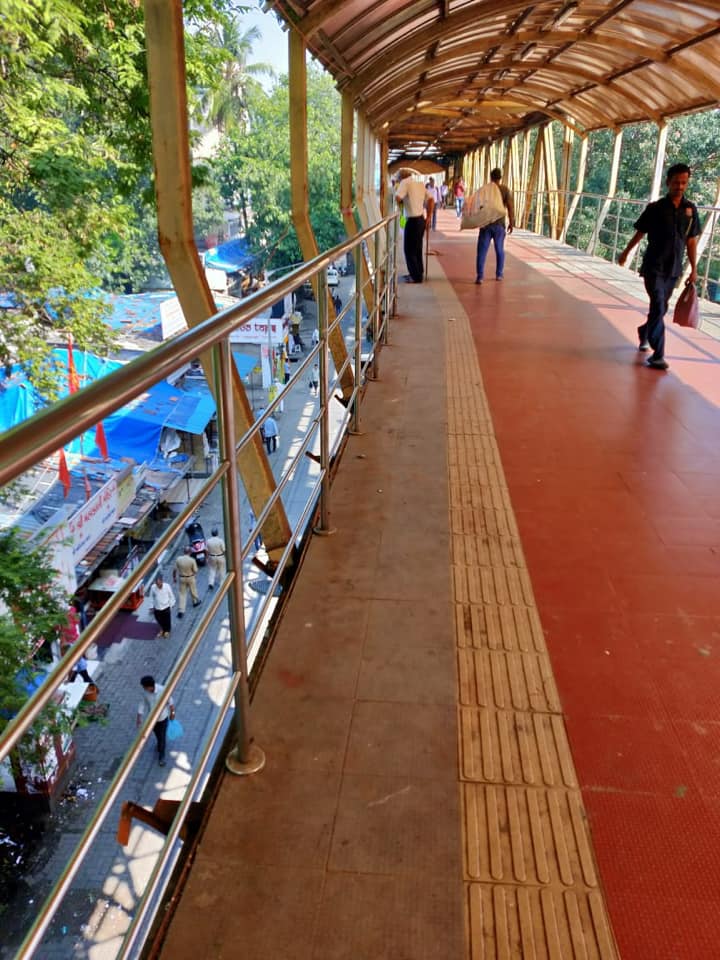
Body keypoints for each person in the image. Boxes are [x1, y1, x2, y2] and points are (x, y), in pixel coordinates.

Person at [618, 162, 700, 371]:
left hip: (674, 269)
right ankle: (658, 355)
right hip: (653, 266)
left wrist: (694, 269)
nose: (680, 187)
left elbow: (691, 241)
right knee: (658, 304)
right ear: (668, 182)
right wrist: (626, 252)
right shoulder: (655, 209)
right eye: (676, 182)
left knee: (661, 308)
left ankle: (644, 331)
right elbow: (640, 232)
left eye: (683, 183)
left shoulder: (690, 210)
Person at [475, 168, 515, 285]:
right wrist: (512, 222)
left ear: (490, 177)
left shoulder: (485, 189)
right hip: (499, 225)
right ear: (500, 177)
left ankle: (480, 276)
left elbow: (478, 206)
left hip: (486, 224)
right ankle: (499, 274)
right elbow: (510, 207)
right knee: (499, 250)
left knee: (482, 251)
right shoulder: (505, 190)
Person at [395, 168, 426, 283]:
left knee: (408, 249)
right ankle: (419, 273)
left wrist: (400, 207)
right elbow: (431, 200)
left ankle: (415, 277)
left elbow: (397, 197)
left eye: (398, 179)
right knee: (417, 248)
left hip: (412, 221)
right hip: (421, 219)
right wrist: (429, 218)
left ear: (401, 177)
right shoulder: (419, 183)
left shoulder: (405, 182)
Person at [137, 675, 175, 767]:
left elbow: (171, 702)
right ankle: (159, 744)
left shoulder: (163, 690)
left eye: (145, 687)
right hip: (152, 719)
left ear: (150, 686)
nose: (144, 689)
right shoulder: (145, 693)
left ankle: (161, 756)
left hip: (163, 718)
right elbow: (142, 703)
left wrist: (172, 713)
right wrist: (139, 717)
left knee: (162, 737)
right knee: (157, 734)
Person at [173, 547, 200, 617]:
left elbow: (175, 569)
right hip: (190, 577)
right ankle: (195, 601)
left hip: (182, 578)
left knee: (182, 594)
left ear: (183, 552)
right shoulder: (192, 560)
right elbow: (195, 570)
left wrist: (174, 577)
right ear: (190, 552)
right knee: (193, 590)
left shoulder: (178, 559)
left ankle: (181, 610)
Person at [148, 572, 175, 638]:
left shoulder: (167, 586)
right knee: (158, 619)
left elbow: (171, 596)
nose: (158, 586)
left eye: (159, 584)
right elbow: (151, 597)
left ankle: (167, 631)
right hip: (157, 607)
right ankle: (162, 629)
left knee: (167, 620)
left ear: (162, 581)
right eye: (157, 584)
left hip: (166, 606)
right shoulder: (153, 587)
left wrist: (171, 605)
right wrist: (151, 607)